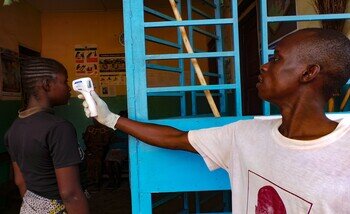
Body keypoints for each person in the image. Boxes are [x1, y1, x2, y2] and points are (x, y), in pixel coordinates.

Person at [78, 28, 350, 213]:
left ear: (309, 72)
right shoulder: (244, 135)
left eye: (277, 58)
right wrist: (110, 118)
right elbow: (175, 138)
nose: (265, 66)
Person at [4, 57, 89, 213]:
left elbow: (20, 180)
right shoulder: (60, 128)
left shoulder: (13, 129)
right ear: (47, 84)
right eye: (65, 82)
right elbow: (70, 194)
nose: (69, 88)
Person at [83, 118, 115, 191]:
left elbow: (106, 143)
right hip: (91, 150)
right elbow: (86, 140)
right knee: (86, 160)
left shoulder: (106, 129)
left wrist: (97, 147)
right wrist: (91, 148)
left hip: (102, 150)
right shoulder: (89, 128)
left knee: (97, 161)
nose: (95, 121)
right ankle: (90, 181)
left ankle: (97, 183)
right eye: (94, 120)